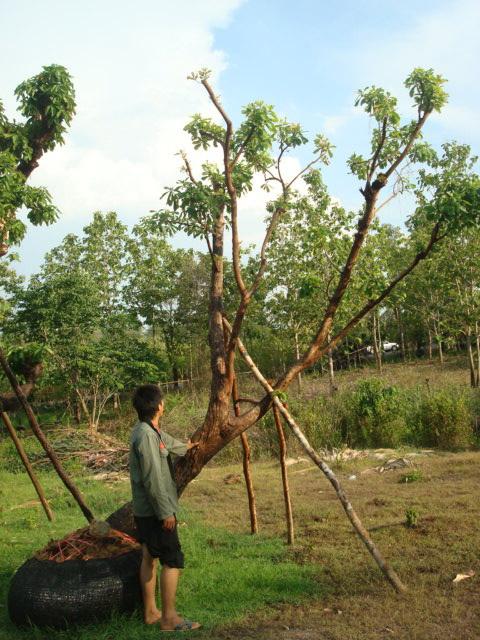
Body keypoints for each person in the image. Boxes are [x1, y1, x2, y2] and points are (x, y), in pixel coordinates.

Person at [130, 383, 201, 631]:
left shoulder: (147, 429)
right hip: (154, 511)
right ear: (158, 405)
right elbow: (152, 479)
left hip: (144, 510)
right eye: (163, 400)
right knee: (172, 559)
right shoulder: (147, 436)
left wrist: (187, 447)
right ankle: (169, 619)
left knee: (149, 556)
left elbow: (166, 443)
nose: (164, 403)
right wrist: (165, 512)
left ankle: (151, 612)